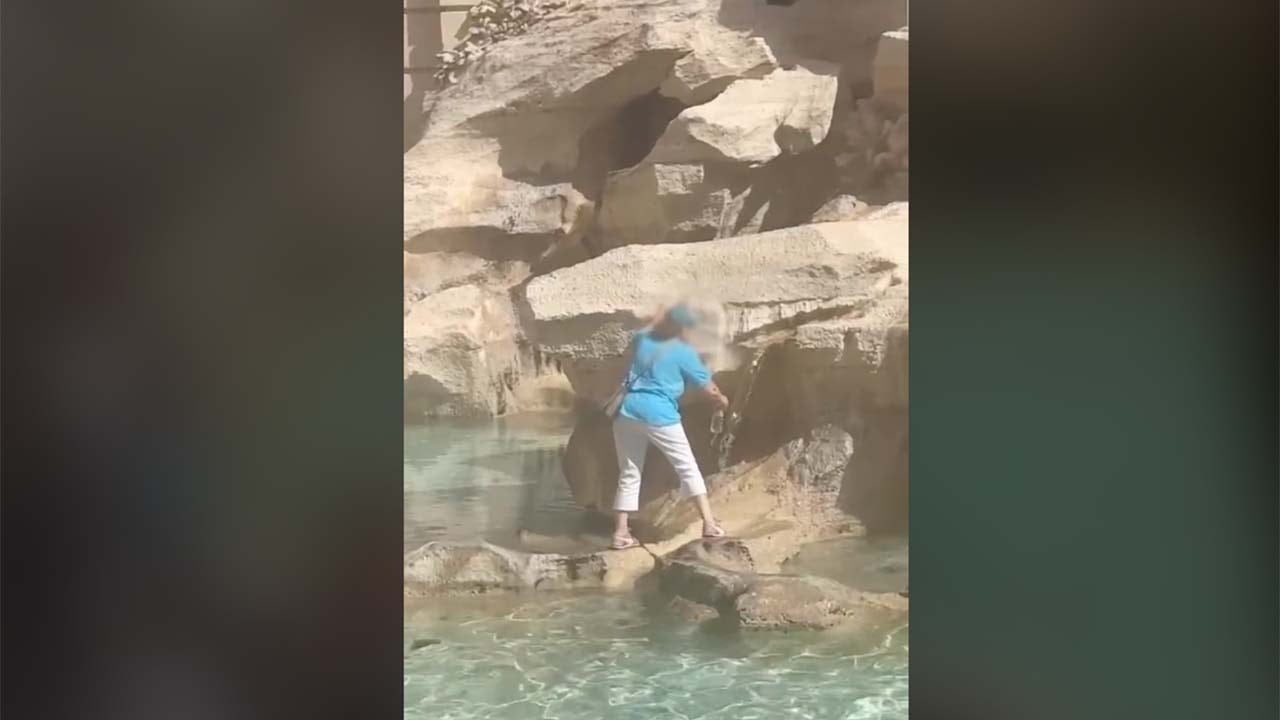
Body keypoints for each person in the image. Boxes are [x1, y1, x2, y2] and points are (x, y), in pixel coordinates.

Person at [609, 303, 730, 550]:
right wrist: (722, 400)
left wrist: (663, 311)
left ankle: (621, 532)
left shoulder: (642, 339)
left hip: (627, 411)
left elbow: (651, 322)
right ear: (683, 328)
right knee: (687, 466)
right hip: (659, 414)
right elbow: (709, 388)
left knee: (630, 472)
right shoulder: (684, 353)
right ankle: (709, 524)